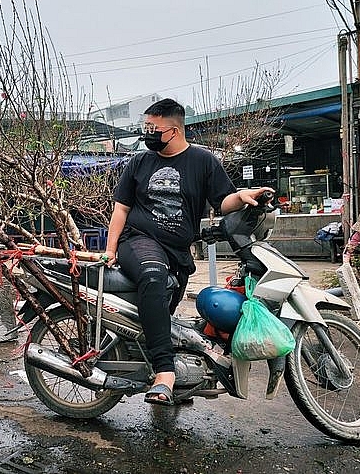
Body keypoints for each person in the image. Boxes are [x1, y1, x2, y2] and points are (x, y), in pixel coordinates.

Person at [102, 98, 273, 405]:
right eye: (145, 128)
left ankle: (181, 381)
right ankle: (165, 373)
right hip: (138, 241)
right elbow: (121, 208)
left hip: (178, 252)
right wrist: (110, 250)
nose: (147, 134)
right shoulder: (139, 162)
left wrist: (243, 196)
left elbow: (223, 201)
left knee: (165, 314)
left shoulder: (202, 161)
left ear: (175, 130)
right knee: (153, 276)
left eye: (153, 128)